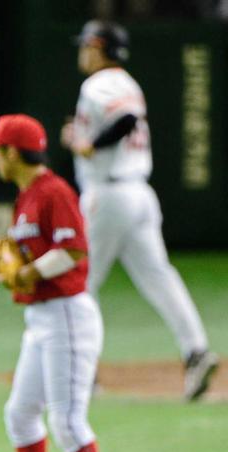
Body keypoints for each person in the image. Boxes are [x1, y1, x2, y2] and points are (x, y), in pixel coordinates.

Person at [62, 20, 218, 401]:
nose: (82, 52)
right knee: (158, 276)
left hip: (109, 194)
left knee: (79, 284)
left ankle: (82, 373)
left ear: (98, 46)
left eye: (85, 45)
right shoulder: (128, 82)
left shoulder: (102, 83)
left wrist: (89, 145)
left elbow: (126, 120)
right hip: (138, 195)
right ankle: (195, 350)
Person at [0, 114, 110, 452]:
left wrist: (30, 270)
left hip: (68, 315)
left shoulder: (53, 191)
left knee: (67, 419)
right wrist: (24, 268)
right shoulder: (28, 195)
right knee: (20, 413)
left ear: (11, 153)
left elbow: (73, 249)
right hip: (41, 318)